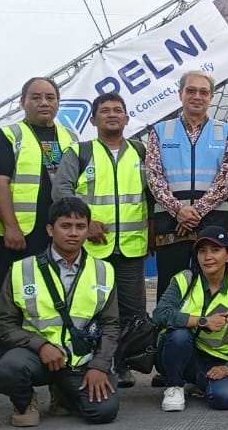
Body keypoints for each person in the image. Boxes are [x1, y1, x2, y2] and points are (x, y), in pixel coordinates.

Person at [0, 198, 119, 426]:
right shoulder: (22, 269)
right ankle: (24, 402)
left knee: (103, 412)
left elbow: (111, 325)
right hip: (36, 357)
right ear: (50, 229)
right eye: (65, 226)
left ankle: (63, 393)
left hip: (80, 359)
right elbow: (3, 323)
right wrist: (40, 345)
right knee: (9, 369)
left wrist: (99, 365)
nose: (74, 233)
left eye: (80, 226)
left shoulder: (104, 270)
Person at [52, 93, 149, 388]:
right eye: (105, 110)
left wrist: (154, 233)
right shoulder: (79, 152)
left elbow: (152, 194)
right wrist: (87, 222)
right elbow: (61, 191)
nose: (112, 114)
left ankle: (122, 365)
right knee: (91, 308)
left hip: (132, 247)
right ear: (93, 119)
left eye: (118, 110)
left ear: (127, 118)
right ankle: (90, 363)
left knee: (132, 313)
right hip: (91, 249)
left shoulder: (141, 151)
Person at [0, 79, 78, 354]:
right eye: (36, 97)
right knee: (11, 303)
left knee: (55, 299)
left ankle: (56, 363)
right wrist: (10, 227)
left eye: (50, 97)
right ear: (22, 102)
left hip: (58, 235)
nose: (44, 103)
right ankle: (7, 366)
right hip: (20, 236)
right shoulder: (8, 135)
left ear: (58, 102)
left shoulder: (70, 137)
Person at [146, 71, 228, 299]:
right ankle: (168, 324)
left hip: (212, 224)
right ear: (180, 94)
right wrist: (178, 211)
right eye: (191, 90)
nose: (197, 96)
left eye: (203, 92)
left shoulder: (226, 132)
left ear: (211, 97)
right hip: (171, 225)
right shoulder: (159, 132)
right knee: (170, 288)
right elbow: (154, 176)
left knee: (211, 287)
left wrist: (194, 212)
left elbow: (227, 178)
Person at [152, 226, 228, 412]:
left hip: (219, 359)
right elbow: (160, 314)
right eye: (202, 251)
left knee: (223, 399)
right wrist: (203, 321)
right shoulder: (184, 279)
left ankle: (197, 382)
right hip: (180, 353)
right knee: (179, 335)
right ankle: (174, 386)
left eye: (215, 250)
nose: (208, 257)